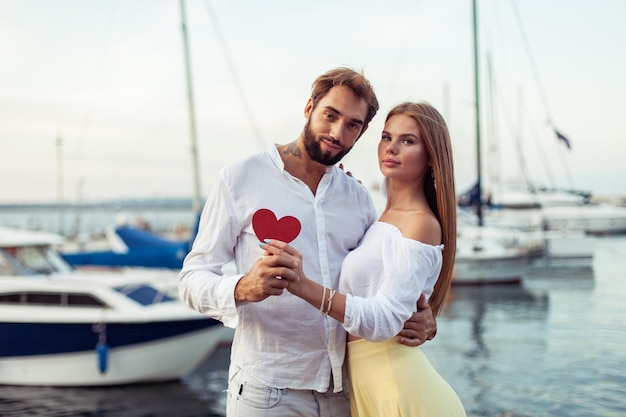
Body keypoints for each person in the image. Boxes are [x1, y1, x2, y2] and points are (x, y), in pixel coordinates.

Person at [177, 68, 437, 417]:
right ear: (309, 107)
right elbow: (192, 278)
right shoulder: (240, 179)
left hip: (344, 392)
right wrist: (243, 287)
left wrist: (424, 317)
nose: (337, 133)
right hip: (267, 390)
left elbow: (378, 279)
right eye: (330, 115)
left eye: (352, 125)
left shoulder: (358, 198)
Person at [261, 102, 467, 416]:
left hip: (398, 388)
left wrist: (302, 285)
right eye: (387, 137)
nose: (391, 148)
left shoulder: (420, 223)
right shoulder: (378, 217)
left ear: (431, 157)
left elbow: (385, 320)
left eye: (407, 141)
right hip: (365, 384)